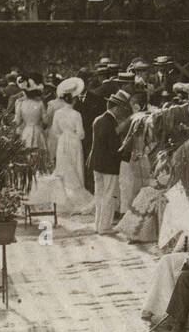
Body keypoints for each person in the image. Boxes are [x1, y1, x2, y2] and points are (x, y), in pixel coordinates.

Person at [47, 81, 93, 216]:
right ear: (73, 99)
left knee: (63, 167)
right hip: (74, 142)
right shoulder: (76, 114)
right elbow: (81, 134)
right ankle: (76, 198)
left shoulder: (58, 113)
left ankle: (63, 198)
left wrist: (63, 136)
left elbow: (55, 130)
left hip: (62, 141)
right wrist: (73, 135)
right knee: (75, 168)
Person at [88, 89, 130, 234]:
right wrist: (126, 154)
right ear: (116, 108)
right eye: (122, 109)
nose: (122, 112)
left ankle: (98, 225)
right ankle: (105, 227)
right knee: (108, 196)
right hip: (108, 165)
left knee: (99, 194)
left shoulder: (98, 119)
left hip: (96, 163)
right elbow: (114, 148)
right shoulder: (110, 123)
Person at [14, 80, 48, 151]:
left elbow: (17, 122)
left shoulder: (20, 104)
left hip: (26, 131)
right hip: (38, 131)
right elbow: (46, 121)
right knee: (39, 154)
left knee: (27, 152)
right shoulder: (40, 103)